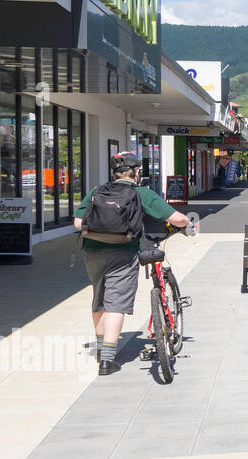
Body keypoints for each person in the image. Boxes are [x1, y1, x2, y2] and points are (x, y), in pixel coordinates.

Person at [73, 153, 190, 376]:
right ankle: (107, 360)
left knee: (99, 298)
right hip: (124, 252)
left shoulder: (97, 191)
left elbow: (78, 222)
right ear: (137, 173)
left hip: (93, 251)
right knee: (116, 301)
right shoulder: (141, 193)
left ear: (113, 174)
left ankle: (100, 349)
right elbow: (177, 219)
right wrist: (187, 225)